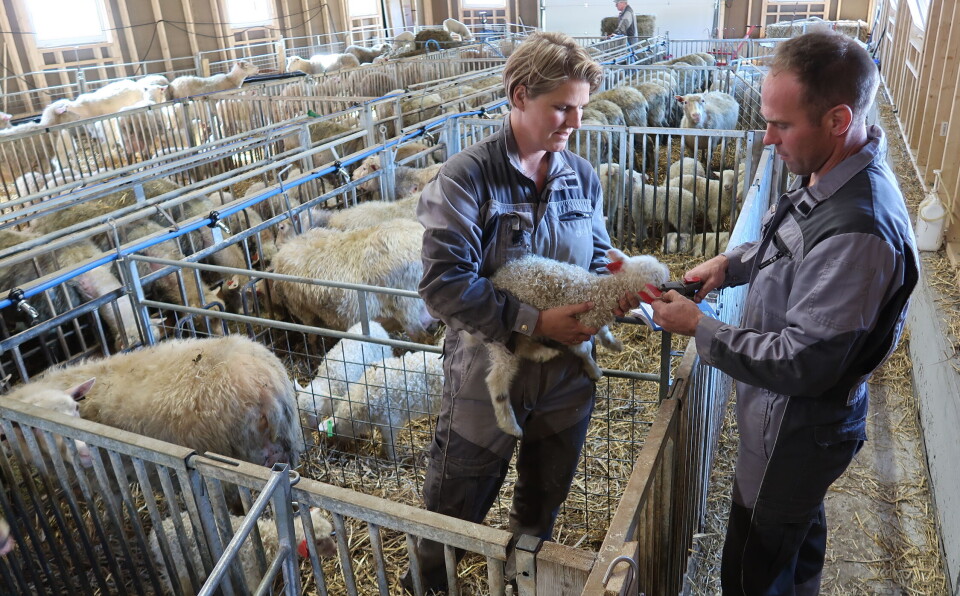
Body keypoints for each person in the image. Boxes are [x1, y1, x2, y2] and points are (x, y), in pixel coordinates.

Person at [640, 30, 918, 595]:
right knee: (795, 543)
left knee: (753, 571)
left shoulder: (859, 227)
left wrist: (701, 328)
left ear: (839, 119)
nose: (767, 139)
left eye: (782, 124)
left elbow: (804, 362)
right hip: (787, 423)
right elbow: (792, 243)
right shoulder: (830, 176)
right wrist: (730, 264)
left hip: (796, 428)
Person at [406, 31, 634, 593]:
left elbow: (598, 252)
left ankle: (518, 581)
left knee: (542, 502)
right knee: (455, 505)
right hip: (490, 376)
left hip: (566, 380)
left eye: (580, 109)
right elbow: (443, 283)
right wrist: (533, 321)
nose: (574, 123)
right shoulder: (467, 176)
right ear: (518, 94)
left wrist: (623, 276)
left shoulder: (580, 176)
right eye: (561, 107)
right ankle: (429, 587)